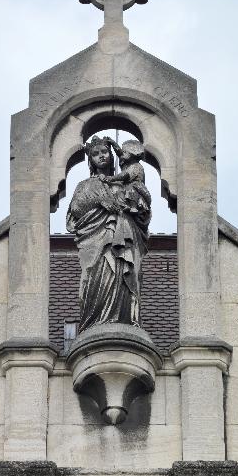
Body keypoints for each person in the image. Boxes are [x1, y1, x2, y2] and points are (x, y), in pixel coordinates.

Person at [66, 136, 151, 332]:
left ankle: (126, 321)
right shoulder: (85, 184)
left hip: (125, 235)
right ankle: (95, 324)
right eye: (95, 154)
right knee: (95, 277)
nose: (101, 156)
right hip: (96, 241)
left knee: (124, 277)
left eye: (104, 152)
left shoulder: (126, 181)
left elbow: (142, 211)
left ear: (112, 155)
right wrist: (100, 200)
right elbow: (76, 209)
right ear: (90, 160)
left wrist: (129, 204)